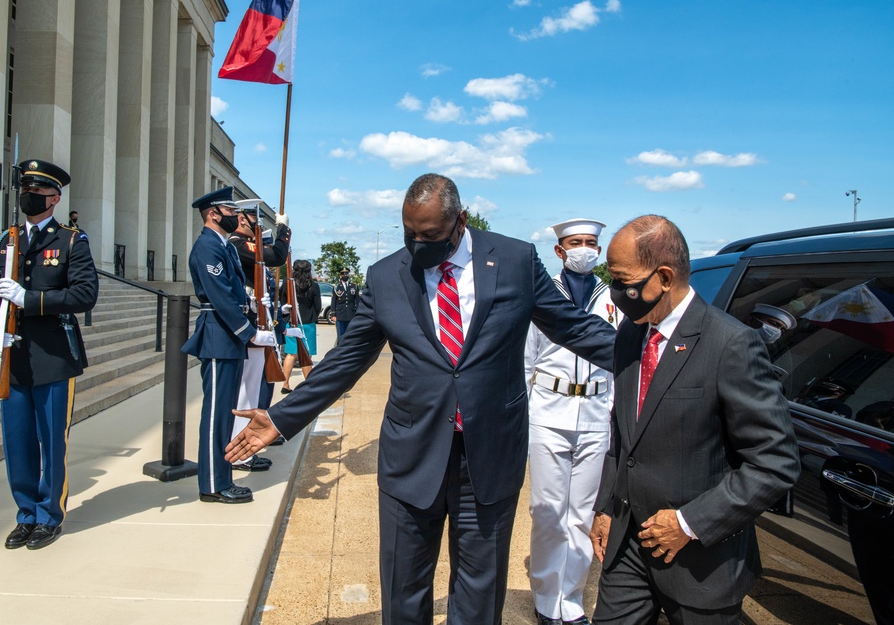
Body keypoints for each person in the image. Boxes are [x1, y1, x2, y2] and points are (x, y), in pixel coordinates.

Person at [227, 173, 616, 625]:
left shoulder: (514, 260)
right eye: (409, 233)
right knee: (404, 586)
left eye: (430, 235)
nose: (418, 245)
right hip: (410, 458)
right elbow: (348, 359)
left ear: (460, 221)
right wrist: (280, 417)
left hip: (488, 457)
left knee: (479, 589)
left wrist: (649, 356)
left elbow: (574, 327)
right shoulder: (387, 275)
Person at [589, 215, 800, 625]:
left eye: (622, 280)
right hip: (628, 549)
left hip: (702, 561)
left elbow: (776, 462)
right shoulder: (631, 335)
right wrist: (605, 509)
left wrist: (689, 523)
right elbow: (623, 435)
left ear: (664, 277)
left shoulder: (731, 344)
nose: (616, 294)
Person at [0, 160, 98, 550]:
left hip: (53, 355)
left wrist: (29, 300)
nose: (28, 196)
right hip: (12, 357)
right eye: (24, 189)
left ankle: (50, 515)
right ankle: (25, 513)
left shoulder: (70, 241)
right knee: (18, 442)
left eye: (37, 191)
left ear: (54, 198)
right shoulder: (4, 242)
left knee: (51, 439)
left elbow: (85, 295)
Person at [524, 218, 619, 625]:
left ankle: (572, 598)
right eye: (576, 242)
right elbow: (525, 360)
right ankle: (547, 598)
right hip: (548, 410)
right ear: (560, 251)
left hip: (597, 413)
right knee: (547, 509)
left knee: (581, 513)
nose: (585, 248)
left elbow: (622, 362)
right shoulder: (543, 296)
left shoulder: (615, 296)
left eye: (592, 242)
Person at [181, 186, 277, 504]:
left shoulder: (224, 246)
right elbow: (219, 295)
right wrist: (249, 332)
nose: (236, 216)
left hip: (227, 335)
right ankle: (212, 483)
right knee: (216, 413)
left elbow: (235, 291)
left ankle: (221, 478)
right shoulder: (207, 246)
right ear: (213, 214)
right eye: (230, 211)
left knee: (225, 411)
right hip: (218, 335)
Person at [228, 200, 290, 470]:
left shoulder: (241, 244)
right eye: (254, 218)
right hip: (248, 328)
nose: (257, 224)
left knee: (253, 393)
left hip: (258, 325)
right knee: (246, 395)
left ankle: (246, 447)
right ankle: (241, 451)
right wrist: (283, 230)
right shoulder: (237, 244)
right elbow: (276, 255)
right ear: (242, 220)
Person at [281, 259, 321, 393]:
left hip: (292, 323)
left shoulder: (288, 284)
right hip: (307, 323)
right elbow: (318, 306)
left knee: (291, 354)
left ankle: (285, 384)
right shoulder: (313, 286)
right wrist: (311, 316)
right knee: (306, 354)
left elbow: (282, 303)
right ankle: (308, 386)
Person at [332, 266, 359, 341]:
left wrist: (358, 314)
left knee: (350, 336)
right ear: (340, 275)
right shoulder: (336, 287)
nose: (345, 275)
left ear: (348, 274)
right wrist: (333, 314)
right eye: (343, 273)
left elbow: (357, 301)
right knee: (340, 336)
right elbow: (334, 301)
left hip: (351, 315)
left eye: (346, 273)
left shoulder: (354, 286)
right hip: (340, 315)